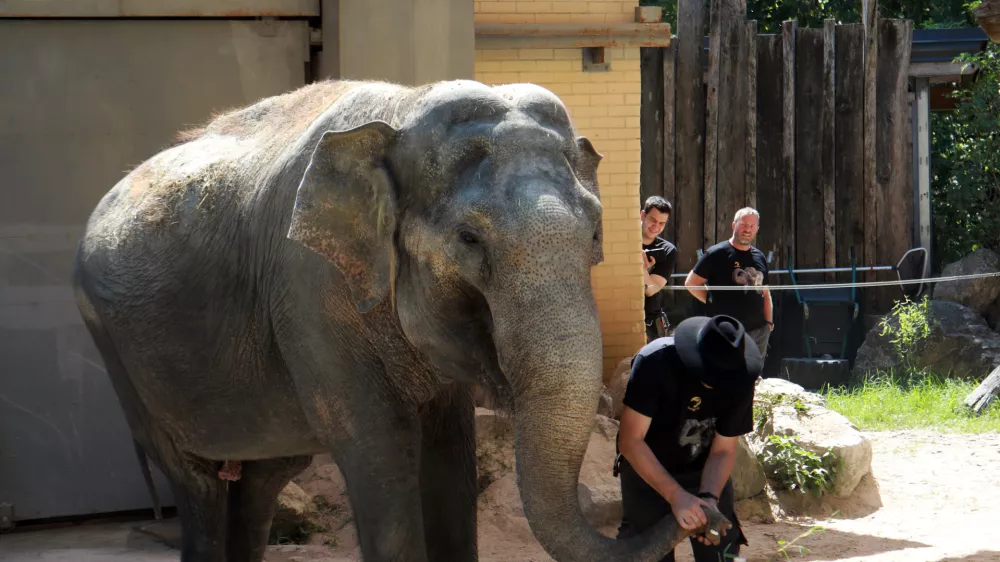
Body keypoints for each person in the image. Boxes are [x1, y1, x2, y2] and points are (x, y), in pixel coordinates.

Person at [615, 315, 762, 562]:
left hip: (703, 471)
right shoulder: (655, 362)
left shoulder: (740, 378)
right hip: (648, 469)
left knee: (721, 552)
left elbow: (723, 450)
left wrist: (709, 499)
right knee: (647, 553)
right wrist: (676, 496)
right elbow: (631, 441)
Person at [684, 207, 773, 358]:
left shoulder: (760, 257)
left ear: (757, 229)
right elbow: (691, 283)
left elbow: (765, 292)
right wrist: (710, 300)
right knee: (727, 375)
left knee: (754, 376)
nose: (747, 230)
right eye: (744, 224)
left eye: (752, 226)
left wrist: (769, 323)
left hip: (758, 331)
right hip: (727, 331)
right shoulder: (716, 253)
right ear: (734, 225)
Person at [641, 196, 678, 342]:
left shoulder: (667, 250)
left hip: (651, 322)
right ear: (642, 215)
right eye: (653, 220)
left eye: (662, 223)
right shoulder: (624, 241)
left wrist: (640, 268)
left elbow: (651, 289)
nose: (656, 226)